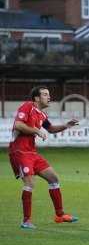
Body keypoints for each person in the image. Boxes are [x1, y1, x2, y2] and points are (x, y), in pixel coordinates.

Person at [8, 86, 79, 229]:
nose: (49, 97)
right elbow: (18, 125)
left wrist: (66, 125)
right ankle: (26, 221)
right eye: (45, 95)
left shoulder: (42, 114)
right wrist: (35, 130)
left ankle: (60, 215)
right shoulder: (27, 106)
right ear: (36, 98)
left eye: (49, 94)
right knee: (30, 184)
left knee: (54, 179)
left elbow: (51, 129)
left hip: (32, 152)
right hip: (20, 151)